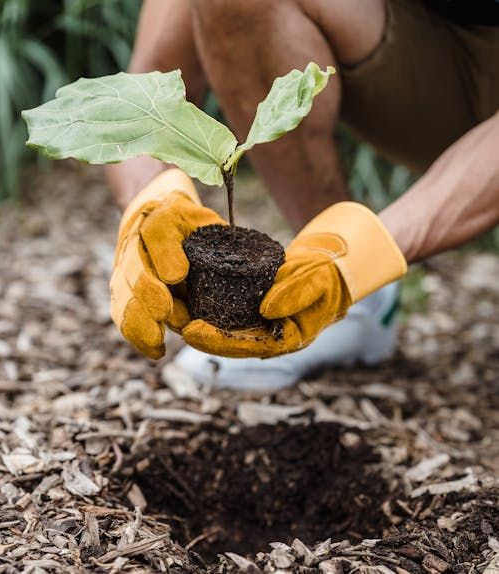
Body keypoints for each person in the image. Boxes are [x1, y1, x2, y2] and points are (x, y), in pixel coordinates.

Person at [107, 0, 499, 390]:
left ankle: (346, 292)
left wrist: (359, 252)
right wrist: (150, 200)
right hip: (429, 71)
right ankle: (350, 310)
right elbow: (143, 100)